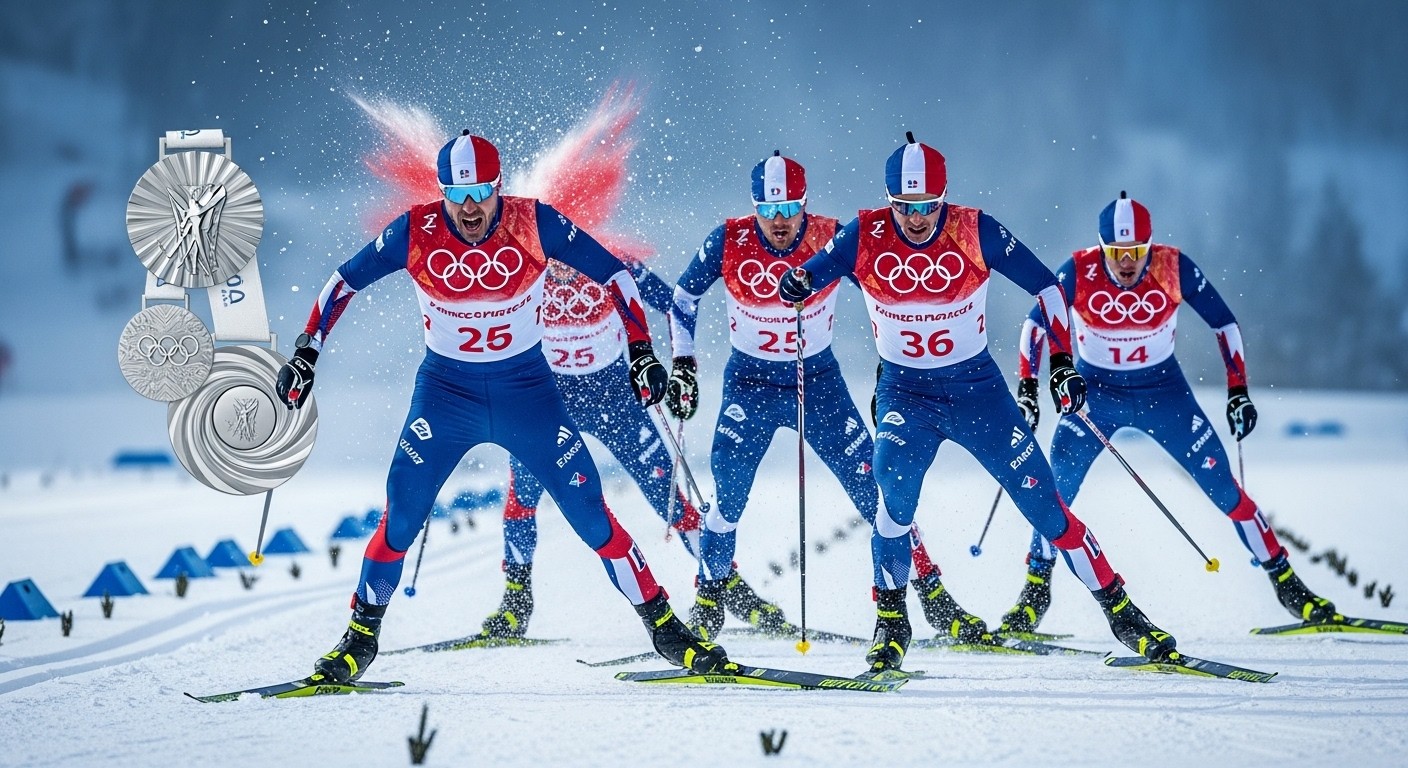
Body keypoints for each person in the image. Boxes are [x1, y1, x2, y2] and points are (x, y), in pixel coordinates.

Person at [275, 131, 732, 682]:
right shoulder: (416, 230)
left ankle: (666, 630)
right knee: (402, 516)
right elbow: (343, 282)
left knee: (593, 518)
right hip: (446, 395)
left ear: (498, 186)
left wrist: (640, 352)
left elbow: (615, 275)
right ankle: (360, 639)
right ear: (443, 190)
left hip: (528, 394)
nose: (468, 207)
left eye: (480, 193)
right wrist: (306, 353)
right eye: (456, 193)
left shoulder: (532, 222)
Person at [778, 134, 1178, 672]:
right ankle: (891, 621)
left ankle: (1123, 612)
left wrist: (1059, 362)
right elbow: (808, 274)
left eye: (926, 207)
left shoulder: (975, 230)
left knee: (1046, 508)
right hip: (906, 392)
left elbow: (1050, 291)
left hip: (977, 393)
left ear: (943, 199)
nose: (916, 219)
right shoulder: (864, 234)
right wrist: (797, 282)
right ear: (889, 200)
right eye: (904, 207)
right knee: (891, 493)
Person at [667, 151, 995, 644]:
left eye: (790, 208)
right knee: (729, 489)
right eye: (768, 210)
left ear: (805, 203)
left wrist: (893, 372)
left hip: (817, 383)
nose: (779, 222)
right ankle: (709, 601)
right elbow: (683, 297)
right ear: (755, 206)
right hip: (749, 384)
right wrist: (684, 363)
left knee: (876, 494)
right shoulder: (728, 239)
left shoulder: (833, 236)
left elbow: (889, 293)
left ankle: (932, 595)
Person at [997, 192, 1338, 635]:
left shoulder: (1172, 266)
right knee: (1054, 494)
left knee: (1226, 492)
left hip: (1165, 394)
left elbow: (1225, 324)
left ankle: (1290, 586)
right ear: (1102, 249)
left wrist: (1238, 392)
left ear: (1150, 246)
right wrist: (1029, 384)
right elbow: (1035, 324)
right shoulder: (1079, 269)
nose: (1126, 263)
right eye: (1116, 254)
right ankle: (1034, 593)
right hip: (1096, 395)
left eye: (1136, 253)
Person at [476, 258, 706, 639]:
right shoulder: (521, 268)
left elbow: (676, 303)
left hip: (614, 397)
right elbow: (477, 315)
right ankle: (516, 604)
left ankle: (724, 587)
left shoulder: (613, 264)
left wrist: (682, 365)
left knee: (670, 499)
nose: (564, 265)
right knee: (521, 497)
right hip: (550, 398)